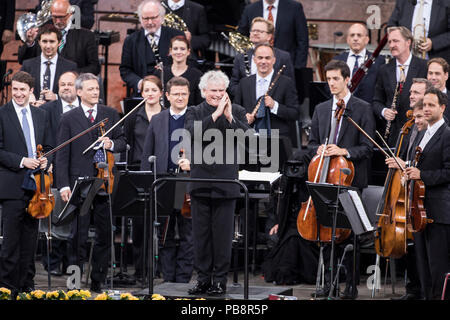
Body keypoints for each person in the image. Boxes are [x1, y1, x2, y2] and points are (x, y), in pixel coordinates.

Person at [296, 60, 375, 299]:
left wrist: (343, 151)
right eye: (328, 79)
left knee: (348, 235)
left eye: (336, 79)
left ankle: (350, 286)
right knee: (326, 237)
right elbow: (311, 144)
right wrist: (318, 149)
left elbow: (368, 147)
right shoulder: (321, 109)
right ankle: (328, 283)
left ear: (347, 79)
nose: (331, 83)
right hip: (324, 179)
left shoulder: (362, 108)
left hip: (349, 180)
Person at [55, 73, 126, 293]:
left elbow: (123, 142)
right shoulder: (69, 118)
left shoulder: (110, 114)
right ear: (79, 92)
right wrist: (64, 185)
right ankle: (74, 282)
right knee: (78, 236)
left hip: (104, 183)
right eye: (91, 89)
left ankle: (98, 279)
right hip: (80, 184)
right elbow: (62, 155)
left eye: (97, 88)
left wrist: (111, 142)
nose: (95, 92)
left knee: (105, 235)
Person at [185, 70, 251, 296]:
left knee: (222, 238)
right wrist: (215, 115)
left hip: (226, 184)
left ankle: (220, 281)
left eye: (221, 90)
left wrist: (230, 117)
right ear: (204, 92)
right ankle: (203, 280)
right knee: (201, 236)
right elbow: (190, 134)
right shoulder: (194, 111)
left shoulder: (238, 111)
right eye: (213, 91)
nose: (218, 95)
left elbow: (251, 141)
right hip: (200, 183)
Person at [0, 71, 52, 297]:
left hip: (37, 187)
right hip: (11, 185)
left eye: (23, 90)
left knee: (30, 240)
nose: (19, 93)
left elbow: (48, 145)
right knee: (11, 241)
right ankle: (6, 287)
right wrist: (22, 161)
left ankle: (26, 284)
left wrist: (46, 160)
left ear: (31, 91)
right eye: (16, 89)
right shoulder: (2, 114)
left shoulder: (41, 115)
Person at [140, 76, 193, 283]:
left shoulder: (196, 117)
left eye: (184, 94)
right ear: (167, 96)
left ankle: (183, 278)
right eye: (176, 94)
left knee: (188, 234)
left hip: (187, 183)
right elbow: (147, 154)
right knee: (165, 233)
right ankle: (168, 278)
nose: (180, 98)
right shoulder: (158, 120)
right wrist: (147, 183)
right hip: (164, 183)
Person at [385, 78, 432, 300]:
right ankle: (413, 288)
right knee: (412, 246)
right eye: (411, 92)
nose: (411, 95)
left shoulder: (428, 126)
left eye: (416, 93)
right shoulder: (411, 124)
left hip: (425, 194)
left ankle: (422, 290)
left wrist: (405, 165)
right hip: (409, 189)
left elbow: (424, 162)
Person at [404, 87, 450, 300]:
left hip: (438, 211)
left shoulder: (447, 134)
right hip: (418, 210)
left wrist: (421, 174)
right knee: (423, 269)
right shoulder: (422, 134)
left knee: (437, 267)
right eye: (425, 105)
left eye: (432, 105)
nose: (427, 109)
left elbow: (448, 173)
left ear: (442, 107)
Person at [122, 75, 164, 280]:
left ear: (161, 93)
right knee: (139, 225)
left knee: (161, 223)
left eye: (154, 90)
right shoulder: (133, 116)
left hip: (161, 172)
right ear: (142, 93)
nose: (150, 94)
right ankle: (140, 269)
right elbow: (127, 143)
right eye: (146, 90)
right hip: (139, 171)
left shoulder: (166, 115)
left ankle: (158, 269)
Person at [39, 70, 80, 276]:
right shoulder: (48, 109)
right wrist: (51, 162)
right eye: (62, 84)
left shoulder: (84, 109)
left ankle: (71, 263)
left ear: (78, 87)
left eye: (69, 84)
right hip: (55, 169)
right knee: (56, 216)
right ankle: (53, 262)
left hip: (78, 170)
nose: (65, 87)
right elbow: (45, 140)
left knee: (73, 217)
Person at [234, 42, 300, 150]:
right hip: (249, 139)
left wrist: (275, 106)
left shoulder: (286, 83)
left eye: (267, 58)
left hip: (276, 140)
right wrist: (243, 117)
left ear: (274, 60)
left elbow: (295, 113)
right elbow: (235, 110)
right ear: (254, 60)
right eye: (260, 58)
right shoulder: (244, 83)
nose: (263, 61)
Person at [372, 26, 428, 147]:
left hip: (418, 131)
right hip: (392, 136)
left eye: (396, 41)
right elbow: (376, 101)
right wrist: (384, 111)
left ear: (408, 42)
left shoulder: (424, 66)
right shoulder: (384, 69)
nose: (392, 45)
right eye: (390, 42)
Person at [18, 0, 100, 76]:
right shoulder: (41, 32)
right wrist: (30, 43)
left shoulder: (86, 36)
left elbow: (95, 67)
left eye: (61, 17)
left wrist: (73, 74)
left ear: (70, 14)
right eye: (54, 17)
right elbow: (23, 61)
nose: (57, 21)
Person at [120, 0, 184, 95]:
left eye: (153, 18)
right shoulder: (131, 41)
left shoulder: (176, 35)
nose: (150, 22)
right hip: (142, 94)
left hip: (171, 92)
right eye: (146, 18)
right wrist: (140, 84)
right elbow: (125, 70)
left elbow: (187, 63)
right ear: (140, 19)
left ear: (162, 17)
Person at [229, 17, 295, 97]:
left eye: (260, 31)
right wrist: (247, 93)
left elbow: (290, 87)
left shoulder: (283, 57)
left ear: (269, 36)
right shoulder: (240, 57)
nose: (255, 33)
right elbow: (233, 86)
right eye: (253, 30)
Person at [238, 0, 309, 69]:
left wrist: (298, 68)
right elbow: (242, 36)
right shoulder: (250, 9)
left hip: (286, 66)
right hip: (257, 66)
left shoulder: (294, 7)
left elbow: (303, 40)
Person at [20, 24, 77, 106]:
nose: (48, 46)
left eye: (52, 41)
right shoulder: (28, 65)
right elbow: (19, 90)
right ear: (39, 42)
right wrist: (30, 99)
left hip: (59, 114)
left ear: (59, 42)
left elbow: (75, 95)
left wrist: (56, 97)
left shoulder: (70, 67)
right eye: (44, 41)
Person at [388, 0, 450, 68]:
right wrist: (401, 40)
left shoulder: (446, 3)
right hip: (406, 62)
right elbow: (391, 27)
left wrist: (433, 43)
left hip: (436, 62)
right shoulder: (403, 2)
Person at [334, 23, 385, 104]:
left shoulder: (378, 61)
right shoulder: (337, 60)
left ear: (367, 39)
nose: (355, 38)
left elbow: (381, 90)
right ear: (347, 39)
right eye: (352, 35)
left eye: (359, 35)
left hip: (368, 110)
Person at [159, 35, 203, 107]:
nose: (178, 52)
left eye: (182, 49)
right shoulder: (160, 72)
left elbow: (200, 104)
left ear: (188, 52)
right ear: (170, 51)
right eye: (175, 49)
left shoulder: (197, 75)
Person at [426, 57, 450, 121]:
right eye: (430, 73)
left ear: (446, 75)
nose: (433, 77)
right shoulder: (421, 99)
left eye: (437, 73)